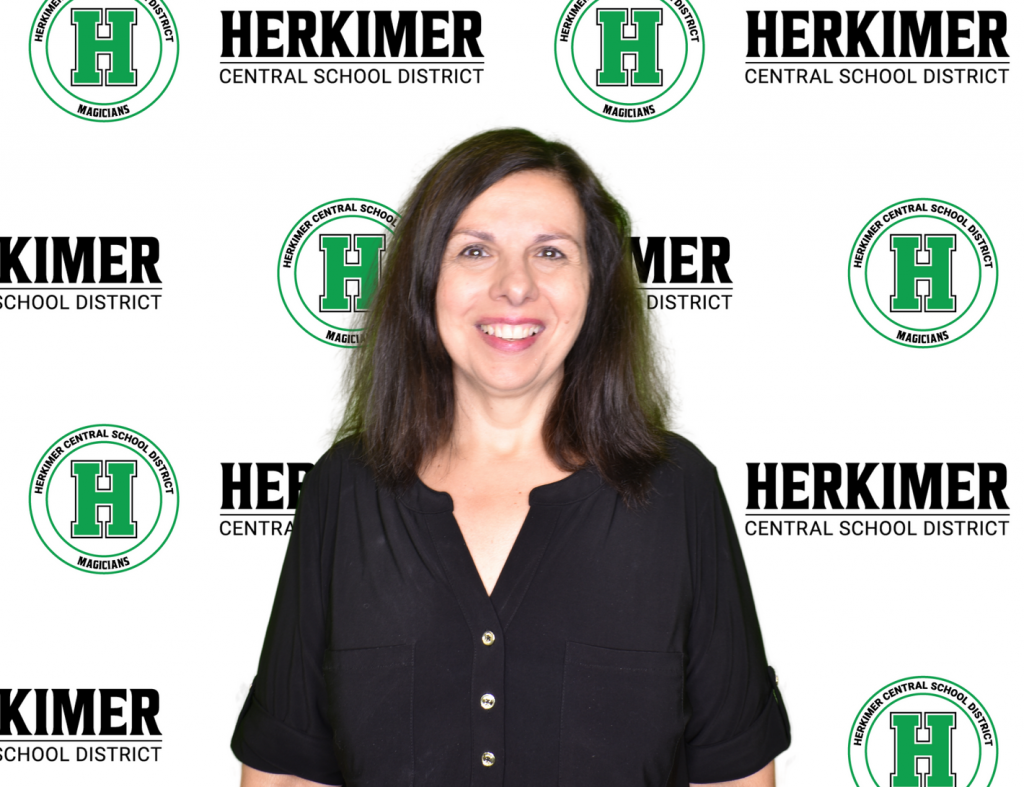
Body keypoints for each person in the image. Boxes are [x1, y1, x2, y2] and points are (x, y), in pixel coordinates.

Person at [232, 129, 790, 786]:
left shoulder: (677, 491)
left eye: (550, 252)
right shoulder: (344, 490)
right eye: (474, 250)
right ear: (426, 278)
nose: (515, 286)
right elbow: (285, 771)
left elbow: (735, 774)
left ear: (595, 286)